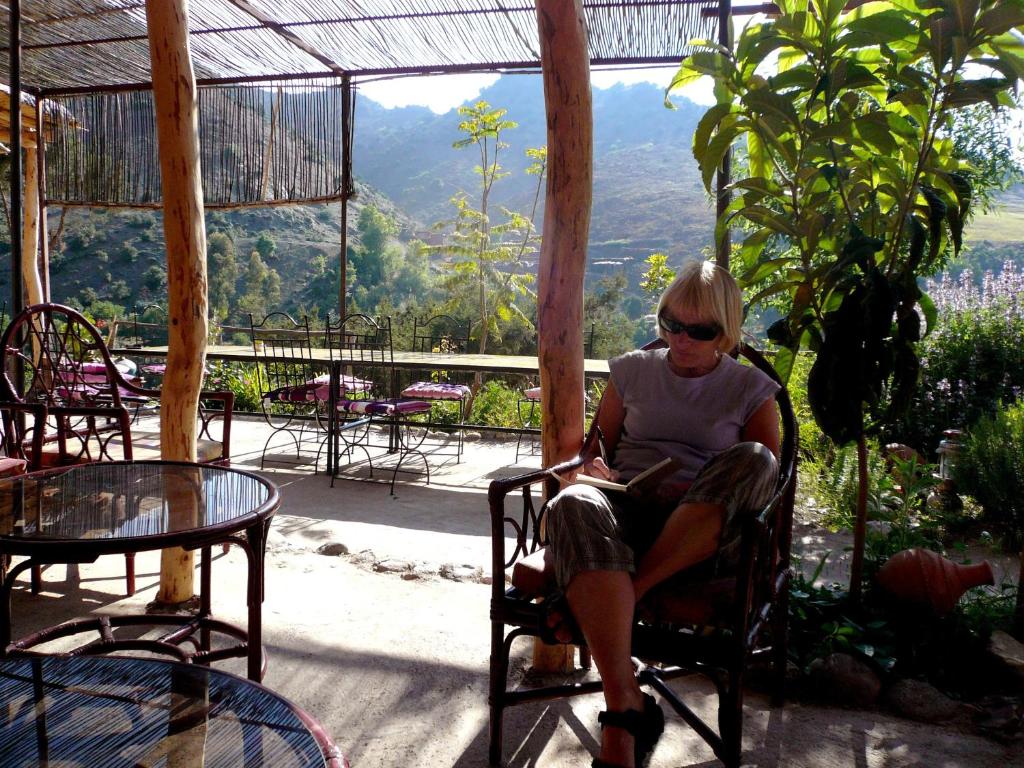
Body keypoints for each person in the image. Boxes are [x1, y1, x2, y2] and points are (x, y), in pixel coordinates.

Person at [543, 260, 780, 768]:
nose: (682, 338)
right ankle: (625, 703)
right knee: (572, 501)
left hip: (704, 535)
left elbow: (762, 481)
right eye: (672, 323)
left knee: (755, 459)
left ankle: (634, 590)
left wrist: (696, 489)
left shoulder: (750, 390)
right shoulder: (631, 370)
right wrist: (594, 468)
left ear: (726, 330)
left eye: (700, 330)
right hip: (630, 510)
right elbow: (594, 449)